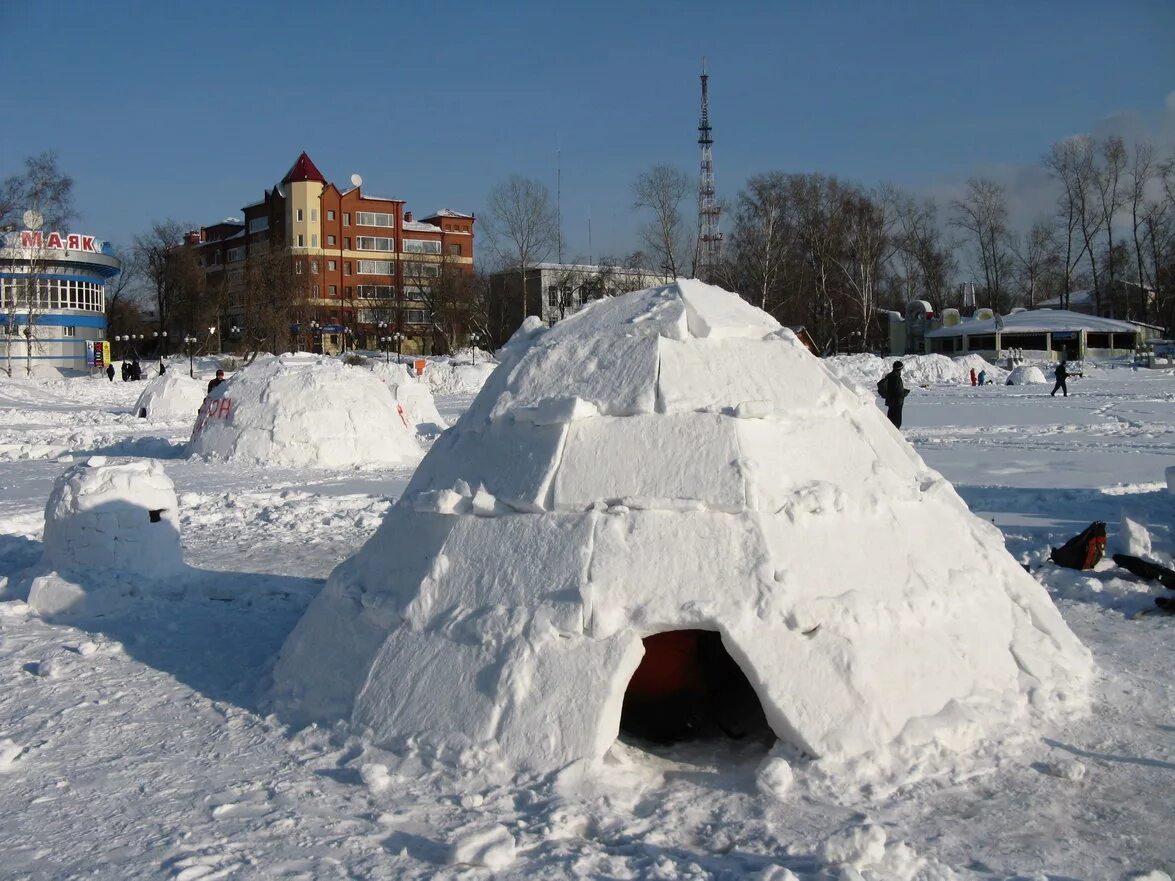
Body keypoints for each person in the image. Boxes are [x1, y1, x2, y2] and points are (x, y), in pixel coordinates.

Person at [882, 361, 910, 428]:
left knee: (890, 418)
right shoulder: (897, 377)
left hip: (890, 401)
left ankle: (889, 431)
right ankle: (895, 435)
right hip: (897, 402)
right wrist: (905, 392)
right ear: (900, 368)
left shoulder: (889, 375)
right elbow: (899, 392)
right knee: (897, 421)